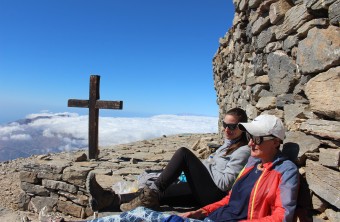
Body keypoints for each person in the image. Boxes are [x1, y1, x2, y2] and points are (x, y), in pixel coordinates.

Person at [87, 108, 251, 212]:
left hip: (213, 194)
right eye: (224, 124)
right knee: (162, 196)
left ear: (242, 128)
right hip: (202, 192)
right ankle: (108, 200)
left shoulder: (243, 151)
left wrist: (205, 167)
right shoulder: (228, 145)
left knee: (183, 154)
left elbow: (224, 184)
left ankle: (155, 189)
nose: (226, 129)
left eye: (232, 126)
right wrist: (205, 166)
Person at [176, 114, 299, 221]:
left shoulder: (286, 171)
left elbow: (282, 217)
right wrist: (200, 212)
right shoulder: (253, 162)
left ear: (276, 142)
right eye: (250, 137)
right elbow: (231, 198)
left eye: (257, 139)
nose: (250, 143)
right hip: (214, 216)